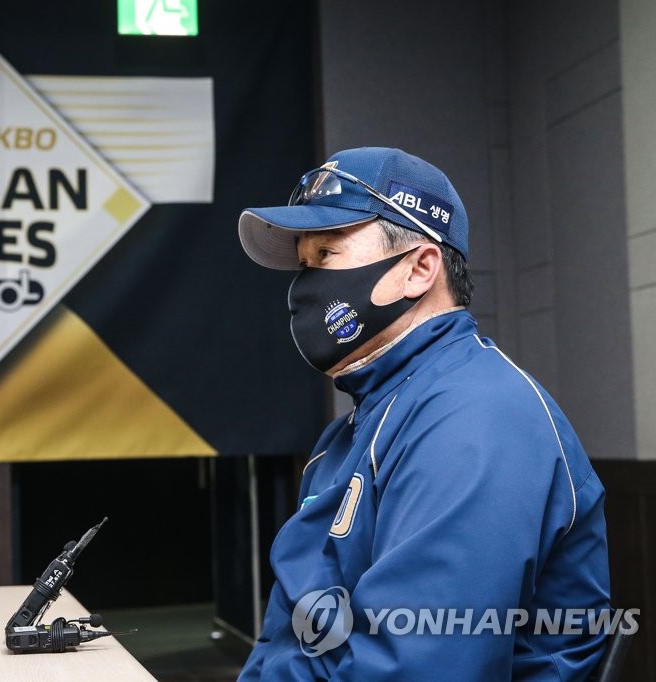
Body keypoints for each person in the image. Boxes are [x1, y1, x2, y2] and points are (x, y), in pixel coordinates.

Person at [235, 147, 610, 680]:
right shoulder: (350, 433)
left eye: (327, 255)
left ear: (419, 269)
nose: (304, 286)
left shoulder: (476, 420)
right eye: (303, 263)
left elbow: (419, 666)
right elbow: (296, 633)